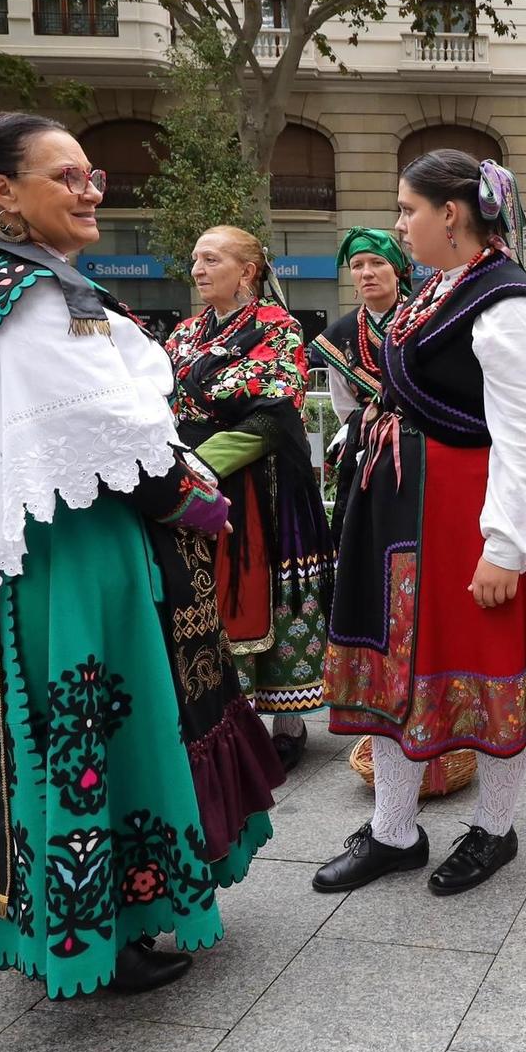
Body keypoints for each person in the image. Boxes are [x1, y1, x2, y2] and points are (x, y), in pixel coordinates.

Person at [0, 112, 281, 998]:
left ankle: (73, 917)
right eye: (64, 176)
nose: (87, 190)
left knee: (67, 719)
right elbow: (103, 422)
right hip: (70, 544)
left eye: (91, 176)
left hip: (55, 530)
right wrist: (192, 496)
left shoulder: (11, 280)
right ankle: (96, 933)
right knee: (92, 719)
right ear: (2, 193)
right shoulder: (33, 293)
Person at [316, 150, 526, 893]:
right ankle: (393, 829)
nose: (398, 224)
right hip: (404, 515)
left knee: (489, 672)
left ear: (451, 214)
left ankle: (495, 828)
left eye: (406, 209)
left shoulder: (509, 305)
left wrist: (506, 549)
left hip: (467, 518)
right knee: (394, 669)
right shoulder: (443, 287)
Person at [164, 228, 332, 773]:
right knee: (202, 596)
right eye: (195, 259)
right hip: (192, 482)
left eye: (211, 259)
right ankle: (220, 718)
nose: (198, 269)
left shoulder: (278, 328)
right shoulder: (184, 334)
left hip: (260, 486)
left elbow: (272, 414)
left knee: (271, 597)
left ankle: (287, 724)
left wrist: (199, 463)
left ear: (248, 271)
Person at [308, 227, 412, 525]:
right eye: (357, 265)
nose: (367, 273)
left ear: (397, 271)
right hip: (367, 451)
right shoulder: (339, 336)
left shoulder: (424, 318)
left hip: (424, 448)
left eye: (377, 263)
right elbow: (344, 408)